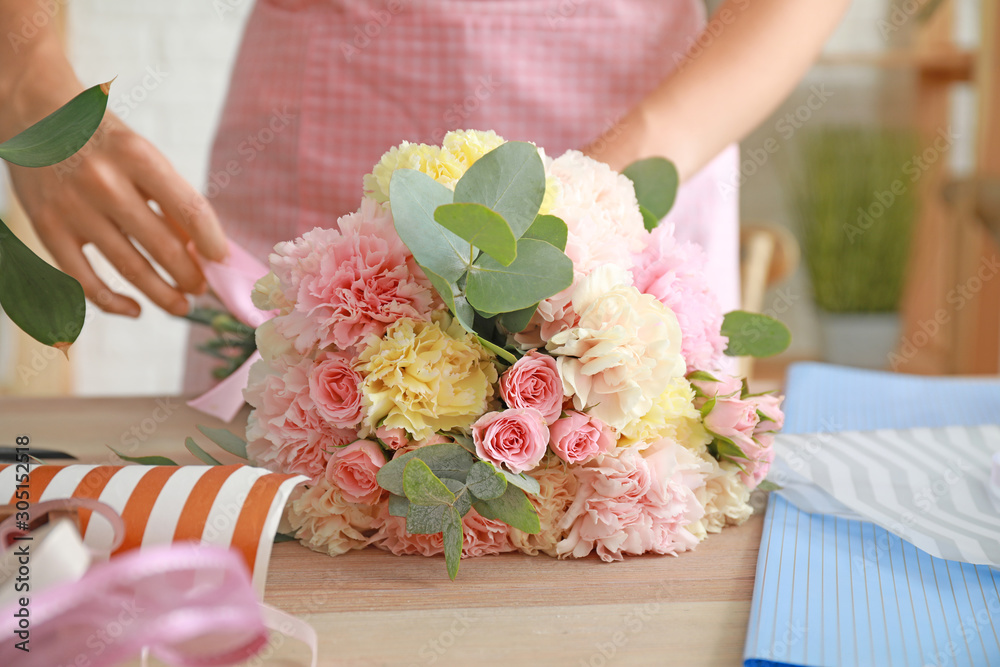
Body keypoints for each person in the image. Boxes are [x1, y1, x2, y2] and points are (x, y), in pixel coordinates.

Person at [0, 0, 850, 377]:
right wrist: (23, 76)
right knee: (292, 536)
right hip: (322, 121)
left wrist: (608, 184)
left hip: (648, 132)